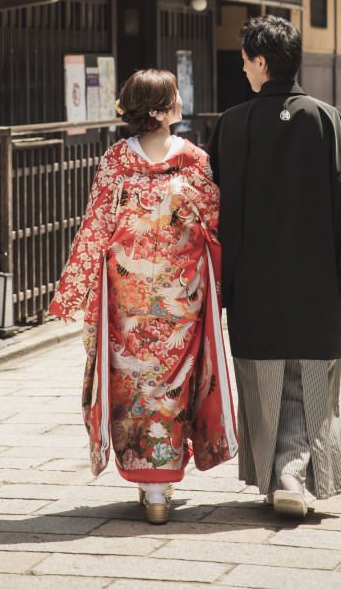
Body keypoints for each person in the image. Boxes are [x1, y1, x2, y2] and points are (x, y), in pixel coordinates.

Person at [207, 15, 341, 518]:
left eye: (244, 61)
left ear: (262, 63)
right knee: (312, 381)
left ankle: (276, 476)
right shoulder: (326, 119)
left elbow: (212, 210)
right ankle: (296, 474)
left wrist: (218, 283)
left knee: (262, 382)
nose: (242, 69)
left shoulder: (234, 124)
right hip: (314, 280)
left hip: (254, 280)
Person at [49, 68, 237, 524]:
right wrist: (232, 279)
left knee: (134, 387)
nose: (180, 102)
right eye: (174, 97)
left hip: (130, 301)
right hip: (179, 297)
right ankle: (160, 484)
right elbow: (216, 224)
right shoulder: (193, 159)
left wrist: (71, 293)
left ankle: (153, 487)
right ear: (160, 110)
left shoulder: (117, 160)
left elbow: (96, 227)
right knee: (171, 385)